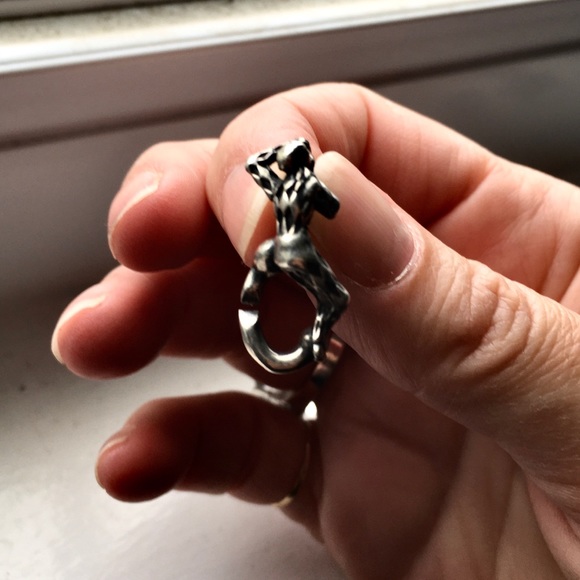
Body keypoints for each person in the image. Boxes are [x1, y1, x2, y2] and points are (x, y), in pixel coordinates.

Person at [51, 83, 580, 578]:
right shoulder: (305, 184)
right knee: (332, 297)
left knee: (301, 287)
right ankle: (320, 331)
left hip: (277, 253)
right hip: (297, 251)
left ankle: (316, 337)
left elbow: (285, 184)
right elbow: (329, 206)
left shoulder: (273, 180)